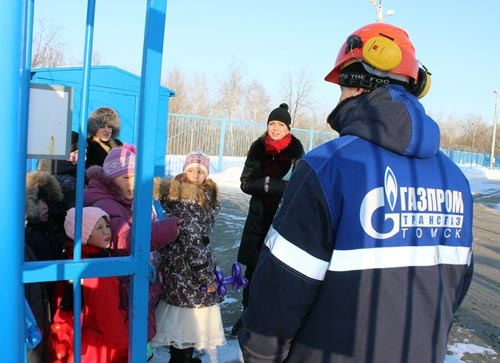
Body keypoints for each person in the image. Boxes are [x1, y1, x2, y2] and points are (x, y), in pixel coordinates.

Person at [238, 23, 474, 363]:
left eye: (341, 83)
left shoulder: (327, 166)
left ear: (356, 82)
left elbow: (281, 293)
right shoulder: (454, 178)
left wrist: (259, 355)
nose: (339, 94)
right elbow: (456, 287)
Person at [83, 144, 181, 356]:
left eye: (135, 177)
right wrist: (164, 230)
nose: (131, 184)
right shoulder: (106, 204)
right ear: (110, 180)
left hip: (139, 280)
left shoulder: (131, 200)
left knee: (143, 331)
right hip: (126, 285)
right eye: (124, 178)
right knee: (135, 335)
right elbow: (123, 239)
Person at [232, 103, 305, 335]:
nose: (274, 128)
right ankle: (247, 316)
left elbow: (298, 186)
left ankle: (271, 320)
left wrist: (269, 185)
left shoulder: (295, 150)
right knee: (252, 271)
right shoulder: (257, 148)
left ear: (288, 128)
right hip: (257, 219)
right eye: (271, 124)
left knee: (277, 270)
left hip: (283, 220)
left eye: (280, 124)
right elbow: (245, 182)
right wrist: (264, 184)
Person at [151, 151, 226, 363]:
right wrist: (205, 275)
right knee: (186, 323)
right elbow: (193, 242)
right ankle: (181, 359)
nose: (195, 175)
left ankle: (183, 358)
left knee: (184, 325)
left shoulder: (199, 196)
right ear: (184, 173)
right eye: (191, 170)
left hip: (180, 268)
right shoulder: (188, 201)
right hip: (188, 271)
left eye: (200, 171)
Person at [50, 207, 128, 363]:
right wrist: (126, 349)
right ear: (84, 235)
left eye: (107, 226)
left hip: (78, 342)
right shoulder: (99, 272)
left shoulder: (71, 259)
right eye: (99, 228)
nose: (107, 232)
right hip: (99, 348)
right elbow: (110, 319)